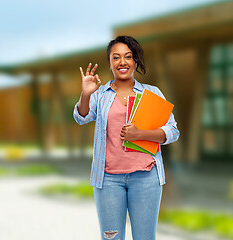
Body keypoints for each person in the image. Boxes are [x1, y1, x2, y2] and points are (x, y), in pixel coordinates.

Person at [73, 35, 179, 240]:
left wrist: (140, 134)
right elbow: (81, 117)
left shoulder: (152, 93)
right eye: (116, 57)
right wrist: (85, 94)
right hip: (109, 180)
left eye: (128, 56)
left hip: (146, 177)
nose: (122, 62)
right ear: (110, 63)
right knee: (111, 238)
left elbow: (173, 131)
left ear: (135, 60)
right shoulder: (100, 94)